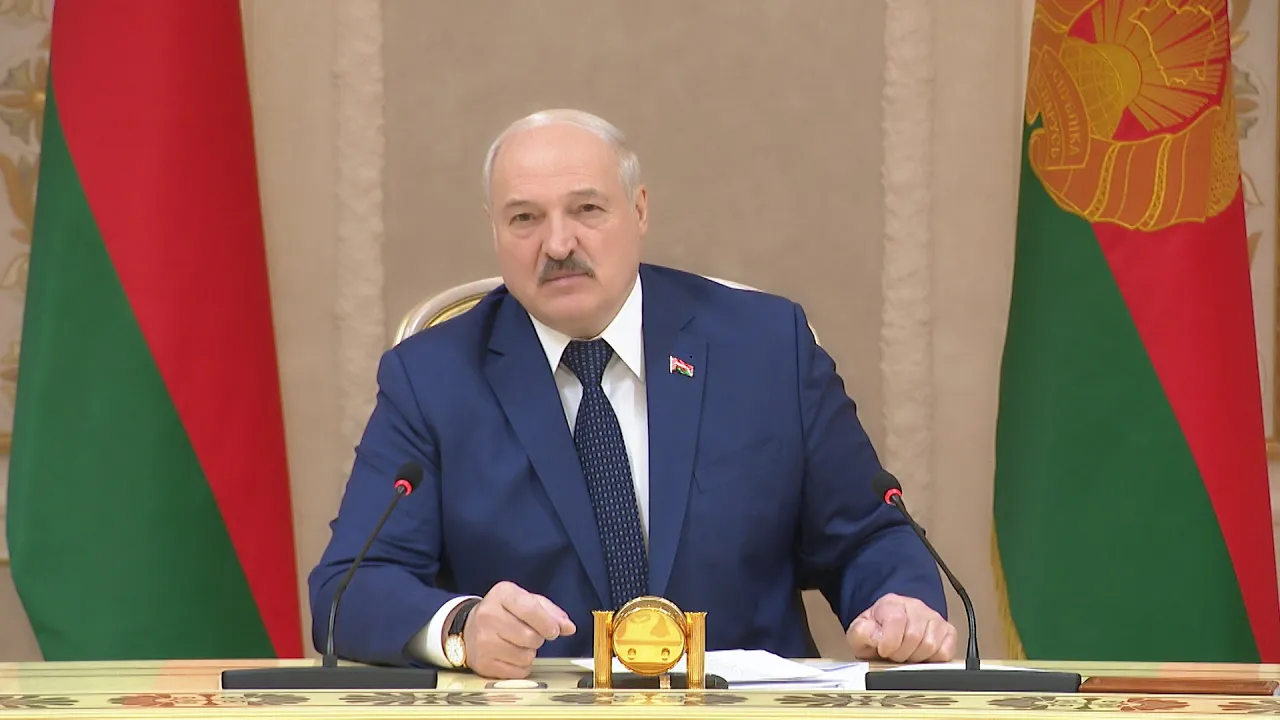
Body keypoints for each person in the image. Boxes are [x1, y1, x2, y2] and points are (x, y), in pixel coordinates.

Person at [308, 109, 957, 679]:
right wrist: (462, 628)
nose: (558, 244)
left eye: (587, 210)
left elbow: (870, 535)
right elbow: (349, 588)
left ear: (639, 210)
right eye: (525, 218)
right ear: (494, 230)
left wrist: (898, 606)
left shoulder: (763, 348)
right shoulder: (433, 377)